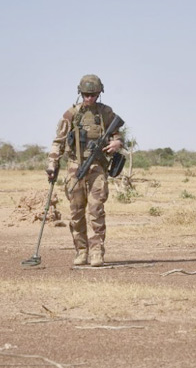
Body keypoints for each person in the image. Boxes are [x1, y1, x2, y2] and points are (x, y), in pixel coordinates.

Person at [46, 74, 124, 267]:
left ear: (99, 94)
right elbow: (59, 142)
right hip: (75, 167)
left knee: (96, 210)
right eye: (86, 94)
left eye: (93, 94)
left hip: (97, 167)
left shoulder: (106, 113)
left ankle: (96, 251)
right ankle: (81, 251)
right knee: (76, 212)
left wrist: (116, 143)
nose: (89, 98)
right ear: (80, 93)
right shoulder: (71, 114)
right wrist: (52, 164)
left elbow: (118, 136)